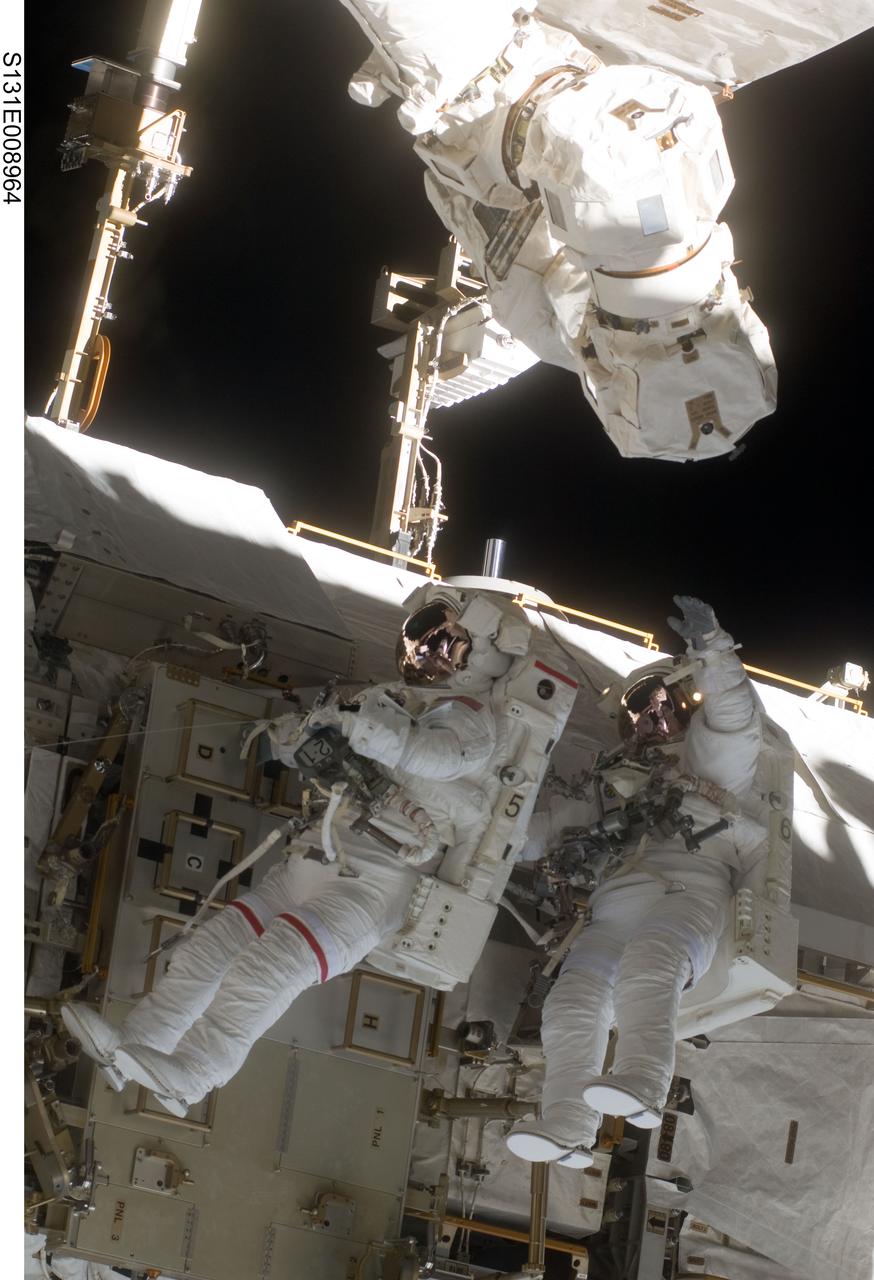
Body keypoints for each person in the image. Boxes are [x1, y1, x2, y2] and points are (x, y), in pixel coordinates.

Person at [63, 585, 575, 1116]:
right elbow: (347, 742)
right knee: (207, 951)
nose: (425, 651)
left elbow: (431, 757)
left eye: (445, 640)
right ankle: (134, 1048)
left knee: (264, 971)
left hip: (375, 888)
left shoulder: (473, 722)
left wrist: (357, 728)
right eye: (420, 638)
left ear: (487, 651)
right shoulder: (402, 701)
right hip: (324, 856)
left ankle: (193, 1076)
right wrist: (300, 737)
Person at [506, 596, 765, 1168]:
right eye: (637, 711)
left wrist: (713, 652)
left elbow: (737, 718)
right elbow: (527, 836)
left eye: (661, 704)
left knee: (651, 963)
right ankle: (570, 1123)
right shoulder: (607, 787)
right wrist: (470, 822)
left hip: (690, 892)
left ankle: (644, 1084)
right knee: (573, 1001)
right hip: (613, 907)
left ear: (686, 707)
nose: (650, 719)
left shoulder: (708, 767)